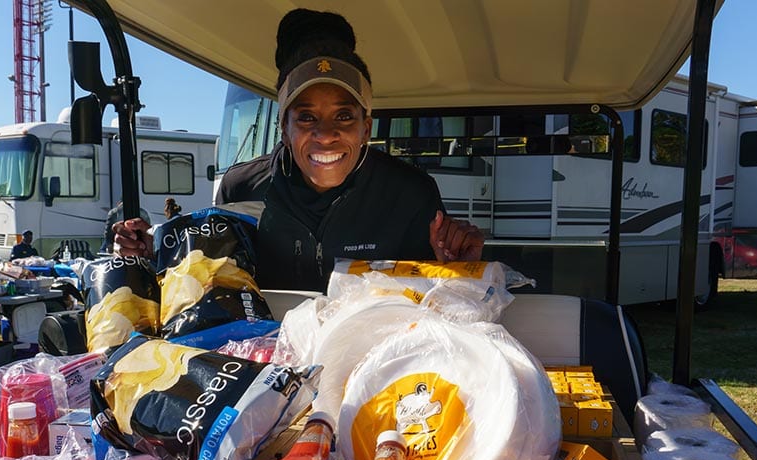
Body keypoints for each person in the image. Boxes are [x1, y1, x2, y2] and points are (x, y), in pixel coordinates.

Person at [113, 8, 483, 291]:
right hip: (269, 377)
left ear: (366, 127)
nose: (326, 135)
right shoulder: (240, 188)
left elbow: (439, 306)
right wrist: (149, 254)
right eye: (306, 117)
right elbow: (210, 284)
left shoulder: (411, 193)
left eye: (344, 116)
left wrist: (457, 268)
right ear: (284, 127)